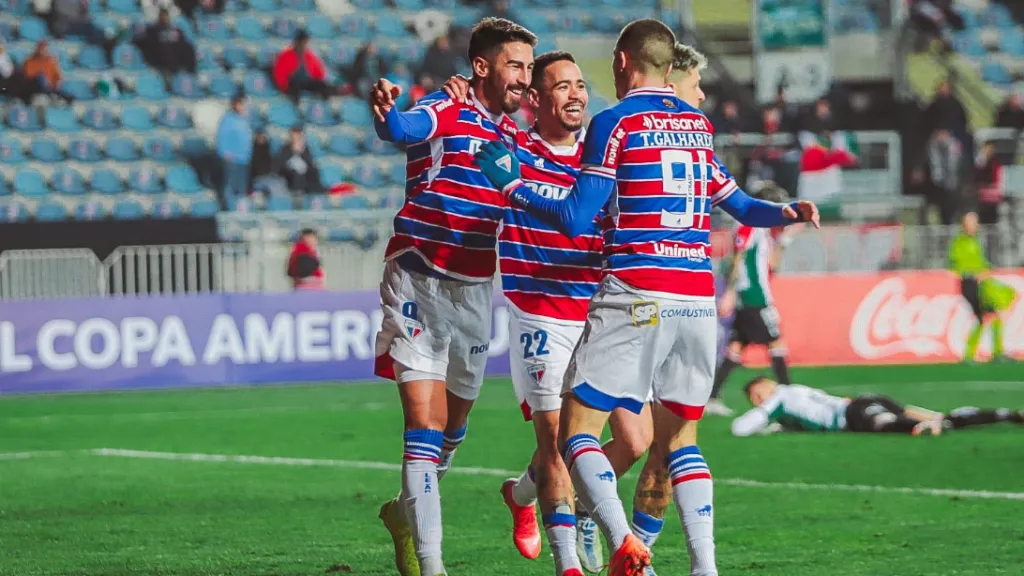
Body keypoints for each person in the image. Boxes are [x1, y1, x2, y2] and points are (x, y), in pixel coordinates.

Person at [473, 20, 819, 576]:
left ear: (622, 61)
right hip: (697, 302)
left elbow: (575, 216)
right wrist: (789, 211)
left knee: (578, 432)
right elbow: (744, 207)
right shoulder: (698, 127)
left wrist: (512, 187)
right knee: (680, 441)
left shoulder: (613, 122)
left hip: (637, 292)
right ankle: (704, 567)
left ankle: (625, 545)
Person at [438, 52, 666, 576]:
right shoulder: (512, 149)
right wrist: (459, 97)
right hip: (538, 311)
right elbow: (469, 129)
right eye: (562, 86)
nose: (576, 95)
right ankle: (569, 566)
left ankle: (529, 495)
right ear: (536, 99)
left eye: (581, 85)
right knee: (558, 444)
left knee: (635, 441)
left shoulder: (604, 153)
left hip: (601, 309)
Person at [368, 17, 536, 576]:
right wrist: (389, 112)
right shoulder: (447, 105)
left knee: (454, 427)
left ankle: (404, 513)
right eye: (516, 65)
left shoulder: (512, 137)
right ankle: (434, 564)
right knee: (425, 420)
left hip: (473, 289)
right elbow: (403, 128)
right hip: (417, 273)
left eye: (529, 68)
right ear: (483, 66)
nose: (524, 78)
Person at [708, 183, 798, 416]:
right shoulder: (749, 226)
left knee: (736, 347)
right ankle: (790, 396)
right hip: (753, 295)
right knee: (776, 342)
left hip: (752, 292)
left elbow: (771, 265)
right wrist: (730, 292)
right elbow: (738, 258)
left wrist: (785, 241)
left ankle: (712, 396)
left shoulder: (761, 230)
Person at [731, 376, 1022, 437]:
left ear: (767, 386)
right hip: (861, 401)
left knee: (881, 425)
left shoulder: (779, 399)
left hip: (852, 413)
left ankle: (921, 428)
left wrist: (764, 415)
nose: (759, 401)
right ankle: (1002, 414)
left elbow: (739, 428)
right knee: (933, 416)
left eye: (758, 394)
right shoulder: (793, 393)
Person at [948, 212, 1016, 363]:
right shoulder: (960, 242)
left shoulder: (976, 241)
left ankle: (994, 352)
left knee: (993, 313)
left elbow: (981, 262)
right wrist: (973, 273)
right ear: (964, 224)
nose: (975, 225)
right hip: (970, 284)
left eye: (975, 222)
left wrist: (987, 269)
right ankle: (973, 354)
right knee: (983, 316)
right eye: (971, 222)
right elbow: (955, 264)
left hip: (982, 283)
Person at [272, 30, 333, 103]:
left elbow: (319, 73)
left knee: (323, 85)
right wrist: (284, 87)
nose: (304, 45)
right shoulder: (285, 56)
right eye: (302, 42)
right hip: (292, 83)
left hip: (306, 82)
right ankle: (296, 110)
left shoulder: (309, 55)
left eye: (305, 42)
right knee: (294, 89)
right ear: (296, 42)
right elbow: (279, 73)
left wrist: (319, 83)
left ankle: (324, 107)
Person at [133, 9, 197, 78]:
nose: (164, 18)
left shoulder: (177, 31)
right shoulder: (153, 31)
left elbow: (186, 48)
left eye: (166, 16)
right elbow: (144, 46)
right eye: (162, 16)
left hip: (177, 68)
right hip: (159, 68)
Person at [215, 93, 253, 210]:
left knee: (241, 188)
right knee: (230, 188)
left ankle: (240, 211)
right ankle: (228, 210)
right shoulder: (228, 120)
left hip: (244, 160)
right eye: (242, 104)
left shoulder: (244, 120)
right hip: (232, 160)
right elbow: (221, 138)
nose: (245, 107)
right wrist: (224, 153)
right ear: (236, 105)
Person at [272, 126, 321, 195]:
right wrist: (294, 151)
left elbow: (309, 163)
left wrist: (301, 152)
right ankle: (297, 194)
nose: (297, 138)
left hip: (304, 172)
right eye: (295, 136)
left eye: (298, 136)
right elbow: (282, 164)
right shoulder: (285, 148)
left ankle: (316, 192)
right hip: (290, 173)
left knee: (314, 171)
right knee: (296, 174)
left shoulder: (305, 149)